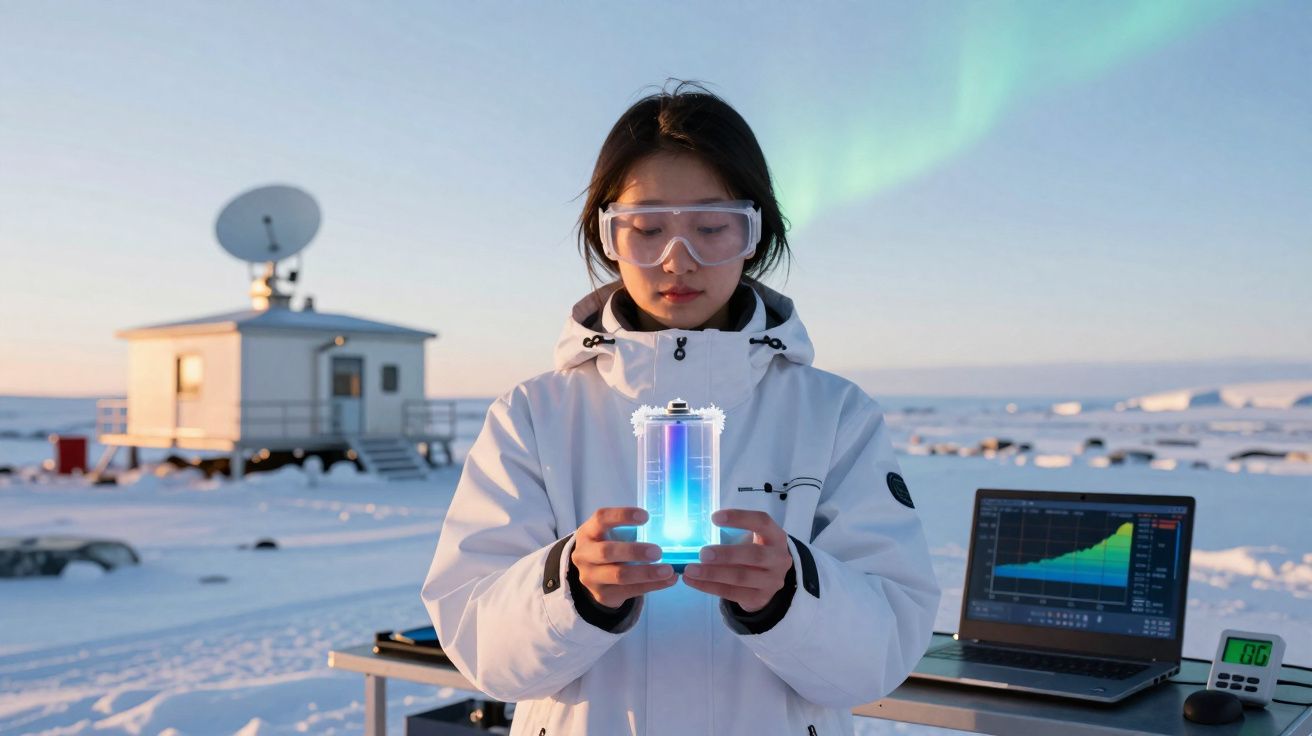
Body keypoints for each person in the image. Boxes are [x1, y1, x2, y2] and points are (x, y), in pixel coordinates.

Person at [421, 81, 941, 735]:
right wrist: (573, 591)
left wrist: (789, 596)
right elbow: (479, 649)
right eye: (645, 229)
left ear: (754, 234)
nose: (678, 259)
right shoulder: (534, 414)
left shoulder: (833, 414)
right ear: (606, 234)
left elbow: (884, 653)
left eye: (711, 227)